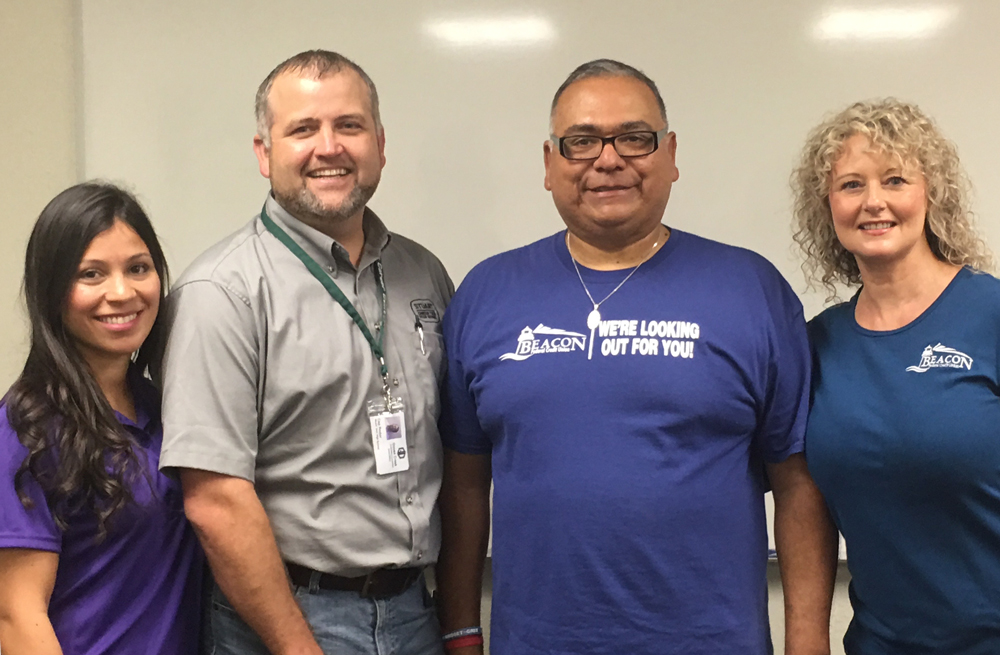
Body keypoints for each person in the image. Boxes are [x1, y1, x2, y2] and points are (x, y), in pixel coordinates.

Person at [435, 59, 837, 655]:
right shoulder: (486, 293)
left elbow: (798, 481)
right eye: (581, 141)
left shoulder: (749, 289)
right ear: (549, 164)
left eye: (634, 137)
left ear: (670, 154)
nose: (608, 159)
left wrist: (808, 640)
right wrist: (462, 627)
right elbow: (464, 485)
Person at [158, 50, 453, 655]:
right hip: (287, 621)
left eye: (349, 125)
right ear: (265, 153)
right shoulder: (223, 293)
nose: (330, 147)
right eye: (302, 129)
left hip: (413, 613)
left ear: (379, 142)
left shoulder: (422, 273)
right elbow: (215, 501)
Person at [793, 99, 1000, 654]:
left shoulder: (992, 315)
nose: (874, 201)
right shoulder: (817, 345)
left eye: (895, 179)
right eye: (851, 185)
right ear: (828, 206)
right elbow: (808, 507)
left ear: (931, 194)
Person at [0, 182, 203, 655]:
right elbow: (15, 616)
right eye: (91, 274)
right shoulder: (25, 429)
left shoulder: (163, 406)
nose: (121, 292)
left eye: (138, 268)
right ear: (51, 290)